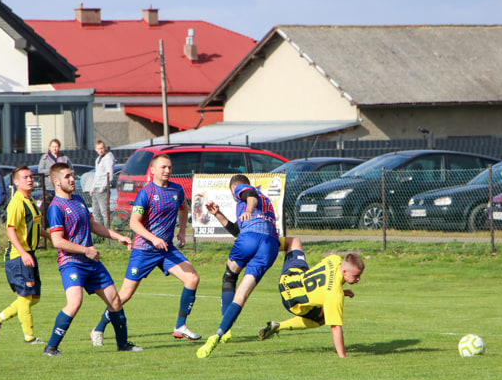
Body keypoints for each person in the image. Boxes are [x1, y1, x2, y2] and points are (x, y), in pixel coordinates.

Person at [91, 153, 201, 345]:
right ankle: (98, 329)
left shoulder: (177, 189)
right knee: (124, 295)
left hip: (166, 249)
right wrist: (153, 238)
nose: (167, 170)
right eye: (163, 167)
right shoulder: (146, 193)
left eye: (169, 167)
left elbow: (184, 209)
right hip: (144, 250)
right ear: (153, 170)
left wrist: (182, 232)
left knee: (192, 278)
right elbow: (134, 223)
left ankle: (180, 327)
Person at [42, 163, 140, 356]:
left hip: (91, 263)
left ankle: (123, 345)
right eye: (68, 176)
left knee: (115, 300)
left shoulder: (77, 200)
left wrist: (117, 236)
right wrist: (86, 250)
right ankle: (51, 347)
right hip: (71, 263)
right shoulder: (56, 208)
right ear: (56, 182)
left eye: (73, 175)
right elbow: (57, 241)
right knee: (75, 302)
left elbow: (93, 225)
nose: (72, 179)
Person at [196, 174, 280, 358]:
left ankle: (226, 331)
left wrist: (249, 208)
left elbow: (250, 194)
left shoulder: (242, 190)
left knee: (229, 276)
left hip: (251, 237)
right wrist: (217, 214)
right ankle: (219, 333)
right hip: (271, 245)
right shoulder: (267, 204)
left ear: (233, 190)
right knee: (241, 295)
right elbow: (236, 231)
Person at [258, 237, 365, 358]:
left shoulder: (334, 259)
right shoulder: (334, 295)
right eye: (356, 276)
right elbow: (335, 327)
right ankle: (280, 326)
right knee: (321, 319)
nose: (359, 279)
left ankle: (259, 247)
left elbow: (324, 282)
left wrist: (342, 291)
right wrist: (343, 356)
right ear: (344, 271)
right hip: (291, 300)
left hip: (289, 277)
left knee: (294, 242)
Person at [0, 166, 51, 344]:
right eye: (25, 177)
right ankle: (29, 337)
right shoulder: (16, 202)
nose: (30, 180)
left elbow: (35, 228)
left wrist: (53, 237)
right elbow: (10, 231)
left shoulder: (29, 200)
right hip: (18, 256)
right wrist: (23, 253)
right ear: (16, 182)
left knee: (35, 298)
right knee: (24, 297)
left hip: (29, 254)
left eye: (31, 176)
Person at [91, 140, 115, 231]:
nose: (100, 150)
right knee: (95, 212)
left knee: (104, 212)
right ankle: (99, 233)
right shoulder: (98, 159)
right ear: (96, 149)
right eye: (98, 148)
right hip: (96, 187)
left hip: (103, 189)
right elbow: (97, 175)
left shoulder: (108, 158)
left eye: (102, 148)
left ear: (105, 148)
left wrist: (103, 187)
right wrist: (92, 188)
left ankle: (108, 233)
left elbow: (110, 174)